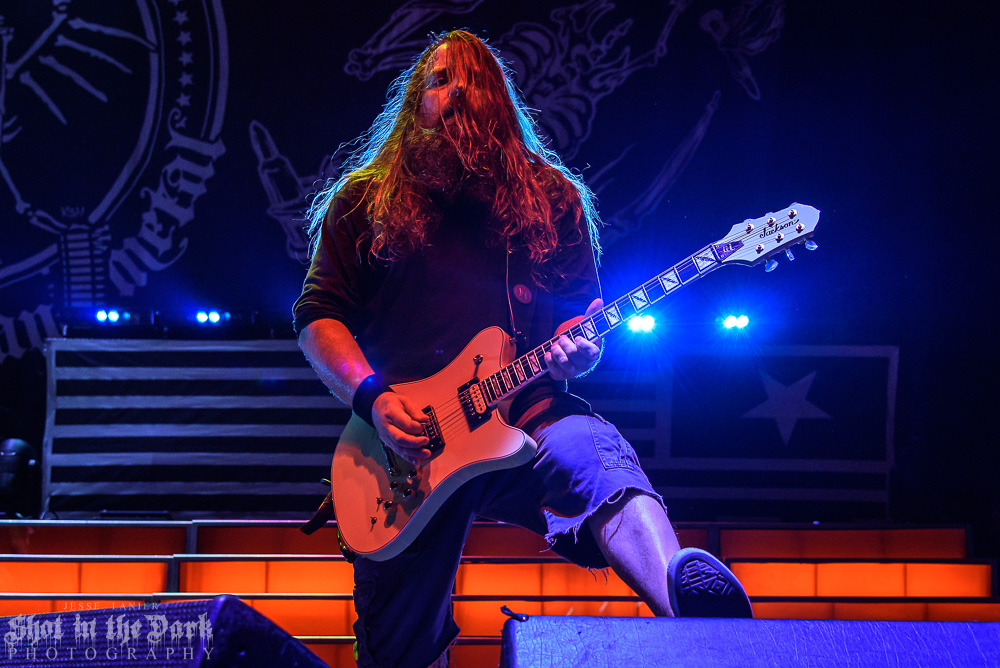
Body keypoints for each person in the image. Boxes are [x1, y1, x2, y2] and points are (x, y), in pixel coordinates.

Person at [294, 30, 751, 668]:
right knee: (399, 645)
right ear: (414, 103)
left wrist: (579, 352)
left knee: (599, 463)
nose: (457, 93)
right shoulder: (365, 199)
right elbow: (319, 318)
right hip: (405, 444)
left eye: (474, 80)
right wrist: (372, 398)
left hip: (525, 411)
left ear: (501, 101)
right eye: (440, 80)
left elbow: (578, 332)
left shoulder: (552, 199)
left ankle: (689, 602)